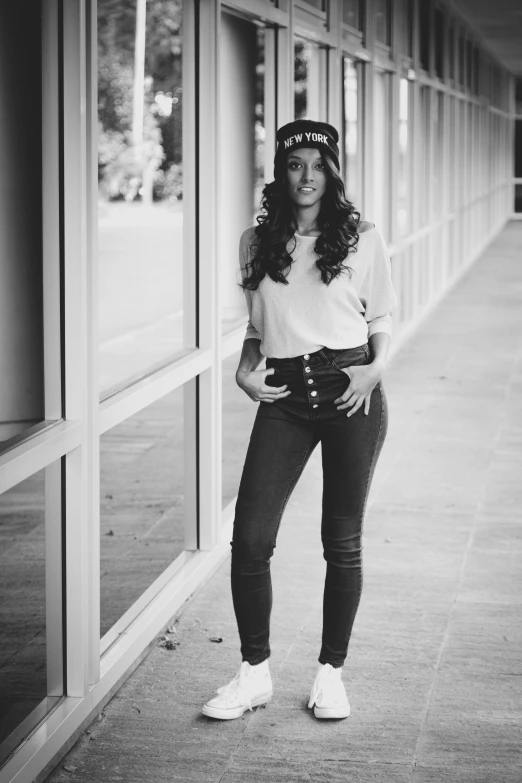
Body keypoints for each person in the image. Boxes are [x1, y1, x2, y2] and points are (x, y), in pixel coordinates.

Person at [202, 119, 398, 721]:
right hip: (285, 397)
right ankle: (252, 673)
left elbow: (383, 316)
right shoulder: (254, 242)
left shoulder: (361, 237)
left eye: (317, 164)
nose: (306, 176)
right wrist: (243, 369)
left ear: (331, 172)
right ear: (280, 173)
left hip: (350, 391)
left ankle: (330, 674)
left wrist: (373, 371)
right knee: (250, 539)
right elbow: (260, 327)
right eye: (294, 165)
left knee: (340, 543)